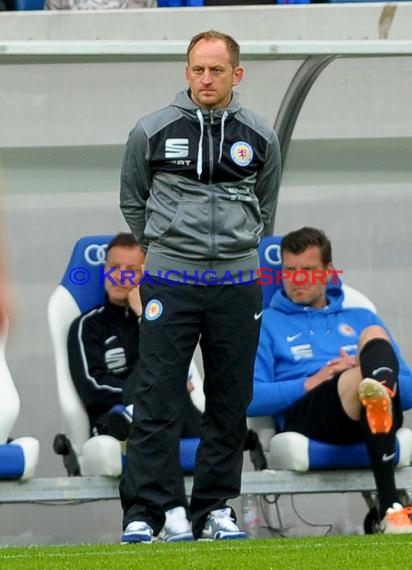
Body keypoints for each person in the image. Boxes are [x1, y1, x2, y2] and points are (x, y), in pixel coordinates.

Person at [119, 29, 281, 543]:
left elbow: (266, 206)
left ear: (237, 74)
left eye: (216, 70)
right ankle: (148, 511)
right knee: (157, 397)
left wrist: (233, 248)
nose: (205, 79)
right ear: (186, 71)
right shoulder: (151, 130)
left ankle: (213, 509)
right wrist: (169, 249)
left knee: (230, 401)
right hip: (171, 282)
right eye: (196, 69)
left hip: (237, 286)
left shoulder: (260, 134)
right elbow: (134, 201)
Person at [248, 226, 412, 534]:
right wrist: (313, 380)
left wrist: (366, 369)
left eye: (308, 270)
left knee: (373, 340)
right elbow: (250, 399)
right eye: (290, 270)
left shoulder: (361, 316)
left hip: (361, 403)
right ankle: (391, 506)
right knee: (362, 378)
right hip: (308, 413)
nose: (298, 279)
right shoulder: (266, 323)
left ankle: (376, 393)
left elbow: (410, 386)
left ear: (328, 273)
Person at [67, 232, 202, 443]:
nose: (120, 276)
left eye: (131, 270)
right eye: (114, 268)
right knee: (155, 371)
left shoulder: (161, 321)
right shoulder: (87, 326)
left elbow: (182, 371)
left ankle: (217, 436)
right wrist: (154, 390)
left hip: (167, 415)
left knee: (161, 372)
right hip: (112, 423)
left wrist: (143, 315)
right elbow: (92, 389)